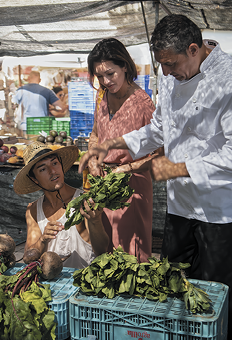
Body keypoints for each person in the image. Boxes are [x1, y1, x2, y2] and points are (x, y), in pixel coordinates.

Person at [79, 14, 232, 339]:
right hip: (181, 207)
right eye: (161, 64)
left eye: (170, 64)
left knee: (217, 299)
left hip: (221, 213)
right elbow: (160, 129)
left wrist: (176, 168)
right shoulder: (173, 76)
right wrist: (114, 144)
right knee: (175, 292)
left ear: (194, 49)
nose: (165, 73)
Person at [86, 38, 156, 263]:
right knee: (105, 248)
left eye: (110, 73)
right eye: (99, 76)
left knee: (129, 256)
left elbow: (161, 153)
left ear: (124, 66)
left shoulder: (143, 105)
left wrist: (127, 168)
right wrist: (94, 157)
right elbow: (95, 133)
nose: (105, 81)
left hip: (131, 188)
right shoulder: (102, 97)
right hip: (104, 185)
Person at [13, 142, 109, 269]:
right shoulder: (33, 210)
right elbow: (28, 257)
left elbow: (103, 250)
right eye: (42, 169)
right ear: (34, 179)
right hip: (53, 285)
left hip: (85, 281)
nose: (53, 171)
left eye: (54, 163)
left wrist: (95, 220)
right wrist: (43, 240)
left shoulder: (84, 200)